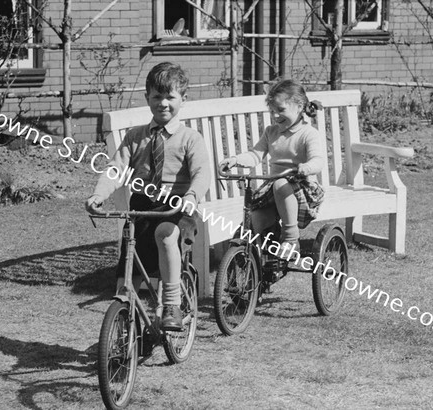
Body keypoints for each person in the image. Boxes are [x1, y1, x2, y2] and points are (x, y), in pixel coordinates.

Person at [85, 62, 211, 331]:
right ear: (147, 98)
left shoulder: (190, 138)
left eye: (170, 97)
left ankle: (171, 304)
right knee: (130, 251)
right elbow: (116, 169)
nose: (163, 103)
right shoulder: (136, 136)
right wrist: (99, 194)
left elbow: (202, 173)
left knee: (166, 234)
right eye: (157, 97)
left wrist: (191, 196)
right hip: (143, 206)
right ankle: (124, 313)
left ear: (183, 100)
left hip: (177, 207)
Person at [219, 79, 324, 259]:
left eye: (281, 110)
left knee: (280, 184)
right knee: (252, 221)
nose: (276, 116)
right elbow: (255, 155)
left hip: (302, 189)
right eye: (273, 111)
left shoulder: (308, 134)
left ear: (299, 107)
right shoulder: (271, 132)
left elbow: (318, 160)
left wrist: (306, 167)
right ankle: (255, 263)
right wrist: (235, 160)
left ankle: (291, 239)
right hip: (274, 190)